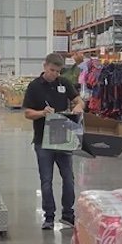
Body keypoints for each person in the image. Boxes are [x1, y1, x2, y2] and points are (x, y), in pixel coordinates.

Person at [23, 53, 83, 229]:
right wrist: (42, 113)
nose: (54, 74)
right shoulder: (34, 87)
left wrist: (79, 106)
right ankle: (49, 217)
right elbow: (27, 113)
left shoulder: (64, 83)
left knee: (68, 179)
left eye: (58, 71)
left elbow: (78, 100)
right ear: (44, 66)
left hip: (63, 138)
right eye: (52, 70)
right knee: (46, 180)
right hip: (43, 141)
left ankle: (68, 215)